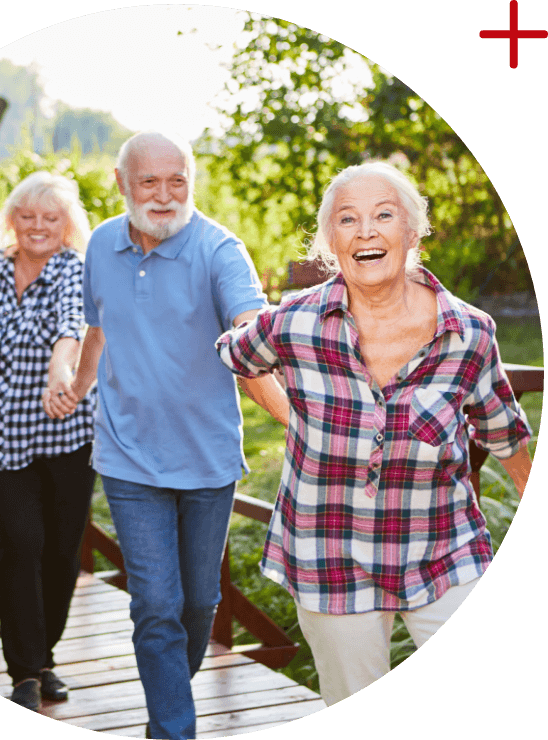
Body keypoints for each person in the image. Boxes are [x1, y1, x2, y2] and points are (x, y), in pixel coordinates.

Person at [216, 161, 533, 706]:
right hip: (330, 558)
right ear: (330, 242)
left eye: (384, 215)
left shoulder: (469, 332)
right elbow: (236, 352)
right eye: (347, 219)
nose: (366, 230)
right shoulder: (294, 322)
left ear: (412, 232)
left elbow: (505, 436)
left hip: (443, 552)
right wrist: (291, 417)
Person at [44, 131, 288, 739]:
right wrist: (77, 385)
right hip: (127, 457)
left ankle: (167, 706)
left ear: (191, 183)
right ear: (123, 185)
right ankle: (173, 729)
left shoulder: (219, 251)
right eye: (148, 181)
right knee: (155, 604)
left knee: (197, 603)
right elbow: (97, 327)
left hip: (207, 460)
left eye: (176, 180)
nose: (163, 194)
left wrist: (297, 414)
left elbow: (249, 329)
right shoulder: (100, 244)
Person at [0, 171, 97, 711]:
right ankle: (26, 671)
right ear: (12, 220)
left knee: (60, 551)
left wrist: (62, 370)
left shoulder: (75, 269)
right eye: (27, 217)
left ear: (66, 225)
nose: (37, 227)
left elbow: (71, 327)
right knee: (21, 544)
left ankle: (45, 656)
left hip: (66, 436)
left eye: (50, 218)